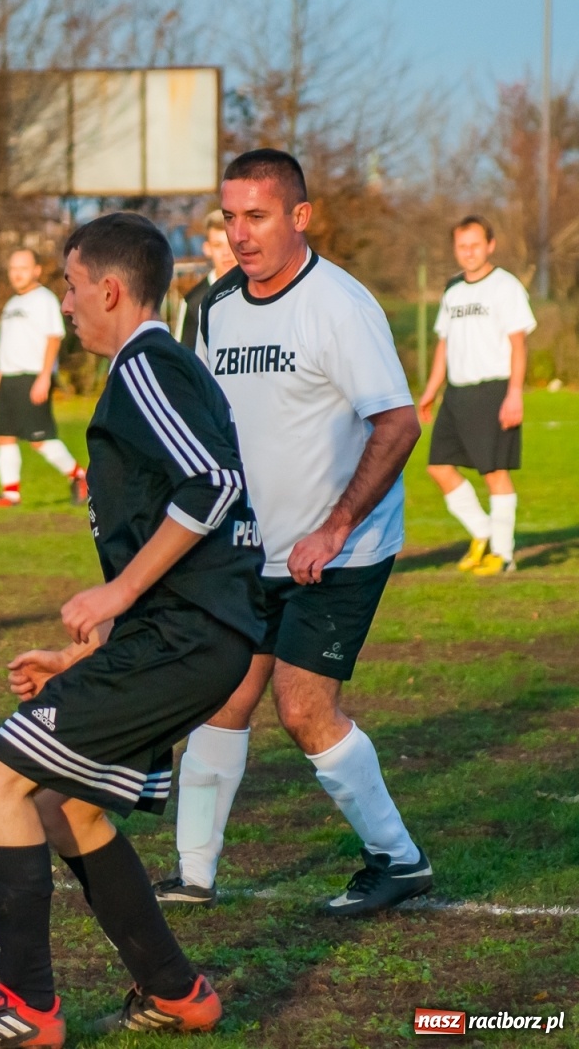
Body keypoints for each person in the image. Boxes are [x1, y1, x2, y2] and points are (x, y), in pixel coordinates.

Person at [0, 213, 263, 1047]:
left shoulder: (145, 366)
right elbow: (181, 524)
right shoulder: (150, 371)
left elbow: (214, 486)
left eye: (71, 287)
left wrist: (115, 595)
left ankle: (25, 1006)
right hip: (181, 639)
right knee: (68, 806)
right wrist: (88, 649)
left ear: (109, 289)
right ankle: (178, 992)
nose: (65, 304)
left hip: (186, 640)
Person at [155, 148, 430, 917]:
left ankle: (399, 860)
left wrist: (336, 526)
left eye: (258, 217)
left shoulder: (340, 305)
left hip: (340, 550)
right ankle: (193, 874)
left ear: (299, 217)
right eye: (230, 218)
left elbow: (399, 422)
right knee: (224, 696)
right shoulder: (211, 307)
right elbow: (206, 427)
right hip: (251, 548)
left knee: (304, 708)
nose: (240, 235)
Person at [417, 216, 534, 576]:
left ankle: (503, 555)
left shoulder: (505, 287)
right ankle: (482, 533)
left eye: (475, 245)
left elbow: (519, 344)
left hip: (494, 390)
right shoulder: (453, 291)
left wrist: (514, 394)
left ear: (490, 245)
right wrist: (431, 390)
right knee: (437, 468)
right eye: (462, 246)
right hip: (456, 393)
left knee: (494, 473)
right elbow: (444, 346)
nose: (468, 252)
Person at [0, 249, 88, 507]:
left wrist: (45, 377)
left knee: (39, 439)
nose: (17, 273)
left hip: (33, 376)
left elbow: (54, 337)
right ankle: (11, 494)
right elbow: (5, 344)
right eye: (13, 268)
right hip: (9, 377)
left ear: (36, 270)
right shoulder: (11, 304)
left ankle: (80, 476)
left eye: (23, 267)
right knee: (5, 435)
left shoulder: (43, 299)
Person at [173, 210, 237, 352]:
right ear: (207, 249)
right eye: (218, 245)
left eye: (230, 243)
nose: (226, 252)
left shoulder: (260, 290)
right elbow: (184, 358)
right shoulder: (194, 302)